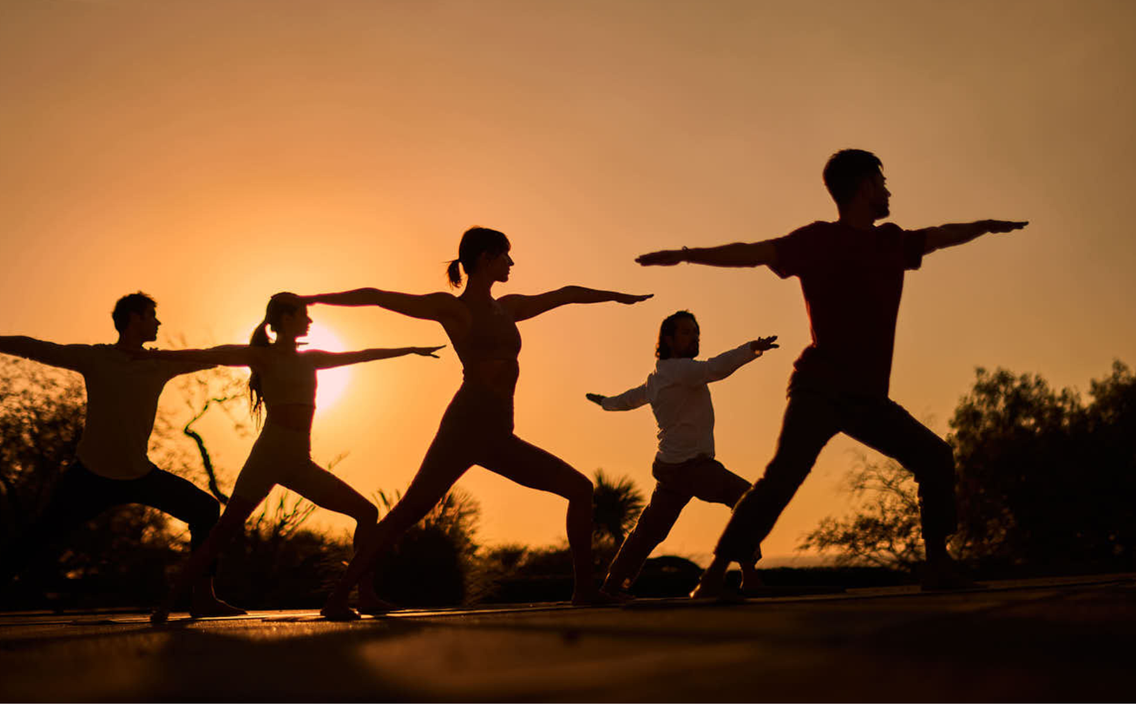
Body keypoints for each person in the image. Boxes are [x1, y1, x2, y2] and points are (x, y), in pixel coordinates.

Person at [636, 149, 1028, 593]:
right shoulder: (817, 241)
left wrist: (985, 227)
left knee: (935, 457)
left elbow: (941, 235)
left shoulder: (890, 242)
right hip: (819, 390)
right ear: (864, 187)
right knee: (782, 479)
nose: (888, 191)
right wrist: (687, 255)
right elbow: (752, 253)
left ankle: (938, 565)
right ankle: (712, 578)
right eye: (881, 183)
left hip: (867, 399)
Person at [299, 227, 652, 614]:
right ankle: (339, 596)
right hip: (465, 427)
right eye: (506, 256)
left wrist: (618, 298)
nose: (512, 263)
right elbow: (378, 298)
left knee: (580, 490)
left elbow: (566, 294)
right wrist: (313, 298)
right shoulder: (454, 309)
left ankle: (584, 591)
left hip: (499, 432)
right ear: (485, 258)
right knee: (407, 513)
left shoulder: (509, 307)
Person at [0, 292, 243, 626]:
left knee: (205, 509)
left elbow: (214, 356)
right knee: (36, 536)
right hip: (90, 477)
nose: (159, 322)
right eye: (153, 315)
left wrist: (266, 350)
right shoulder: (96, 358)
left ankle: (202, 598)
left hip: (138, 473)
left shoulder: (161, 362)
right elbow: (36, 348)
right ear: (134, 318)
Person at [144, 293, 443, 622]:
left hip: (298, 461)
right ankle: (166, 606)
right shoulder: (262, 356)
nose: (310, 321)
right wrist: (153, 356)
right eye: (304, 315)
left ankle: (361, 595)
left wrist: (410, 349)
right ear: (286, 319)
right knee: (222, 532)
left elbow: (361, 355)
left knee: (365, 512)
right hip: (269, 456)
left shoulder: (311, 358)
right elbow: (211, 353)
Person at [587, 311, 777, 598]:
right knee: (746, 498)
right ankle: (749, 577)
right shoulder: (682, 371)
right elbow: (716, 368)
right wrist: (751, 349)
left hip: (671, 469)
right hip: (691, 467)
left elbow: (627, 400)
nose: (695, 337)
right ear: (668, 339)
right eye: (687, 332)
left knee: (649, 530)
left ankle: (612, 587)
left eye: (696, 332)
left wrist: (604, 402)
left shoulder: (657, 378)